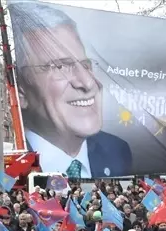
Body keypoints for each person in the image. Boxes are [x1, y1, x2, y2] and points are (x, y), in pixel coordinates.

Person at [9, 3, 132, 179]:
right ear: (21, 92)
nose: (88, 82)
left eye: (86, 65)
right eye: (60, 67)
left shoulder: (118, 151)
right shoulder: (12, 165)